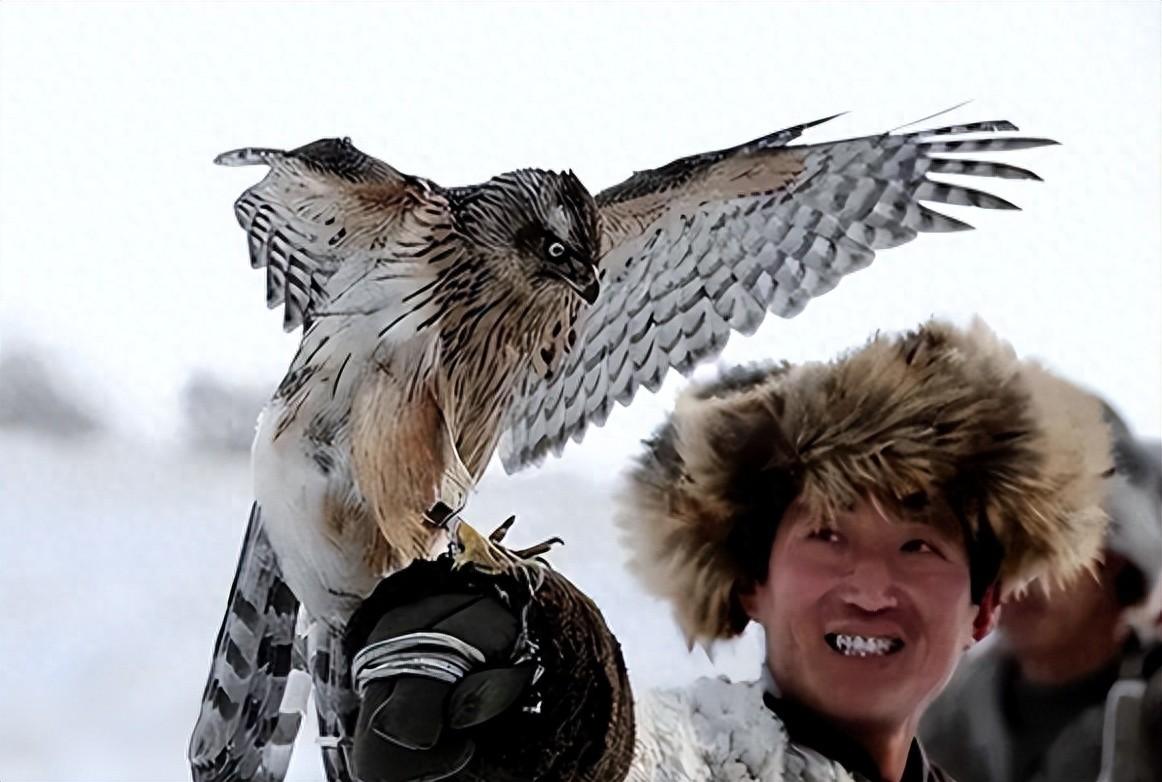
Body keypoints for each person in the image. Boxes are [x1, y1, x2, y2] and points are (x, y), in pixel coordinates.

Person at [340, 318, 1115, 782]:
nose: (872, 586)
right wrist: (544, 664)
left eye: (918, 545)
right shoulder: (706, 756)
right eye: (829, 535)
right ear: (752, 581)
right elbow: (622, 747)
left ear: (984, 607)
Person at [919, 406, 1162, 782]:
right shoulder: (934, 712)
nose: (1019, 575)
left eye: (1047, 545)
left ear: (1116, 560)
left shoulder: (1151, 708)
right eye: (1001, 543)